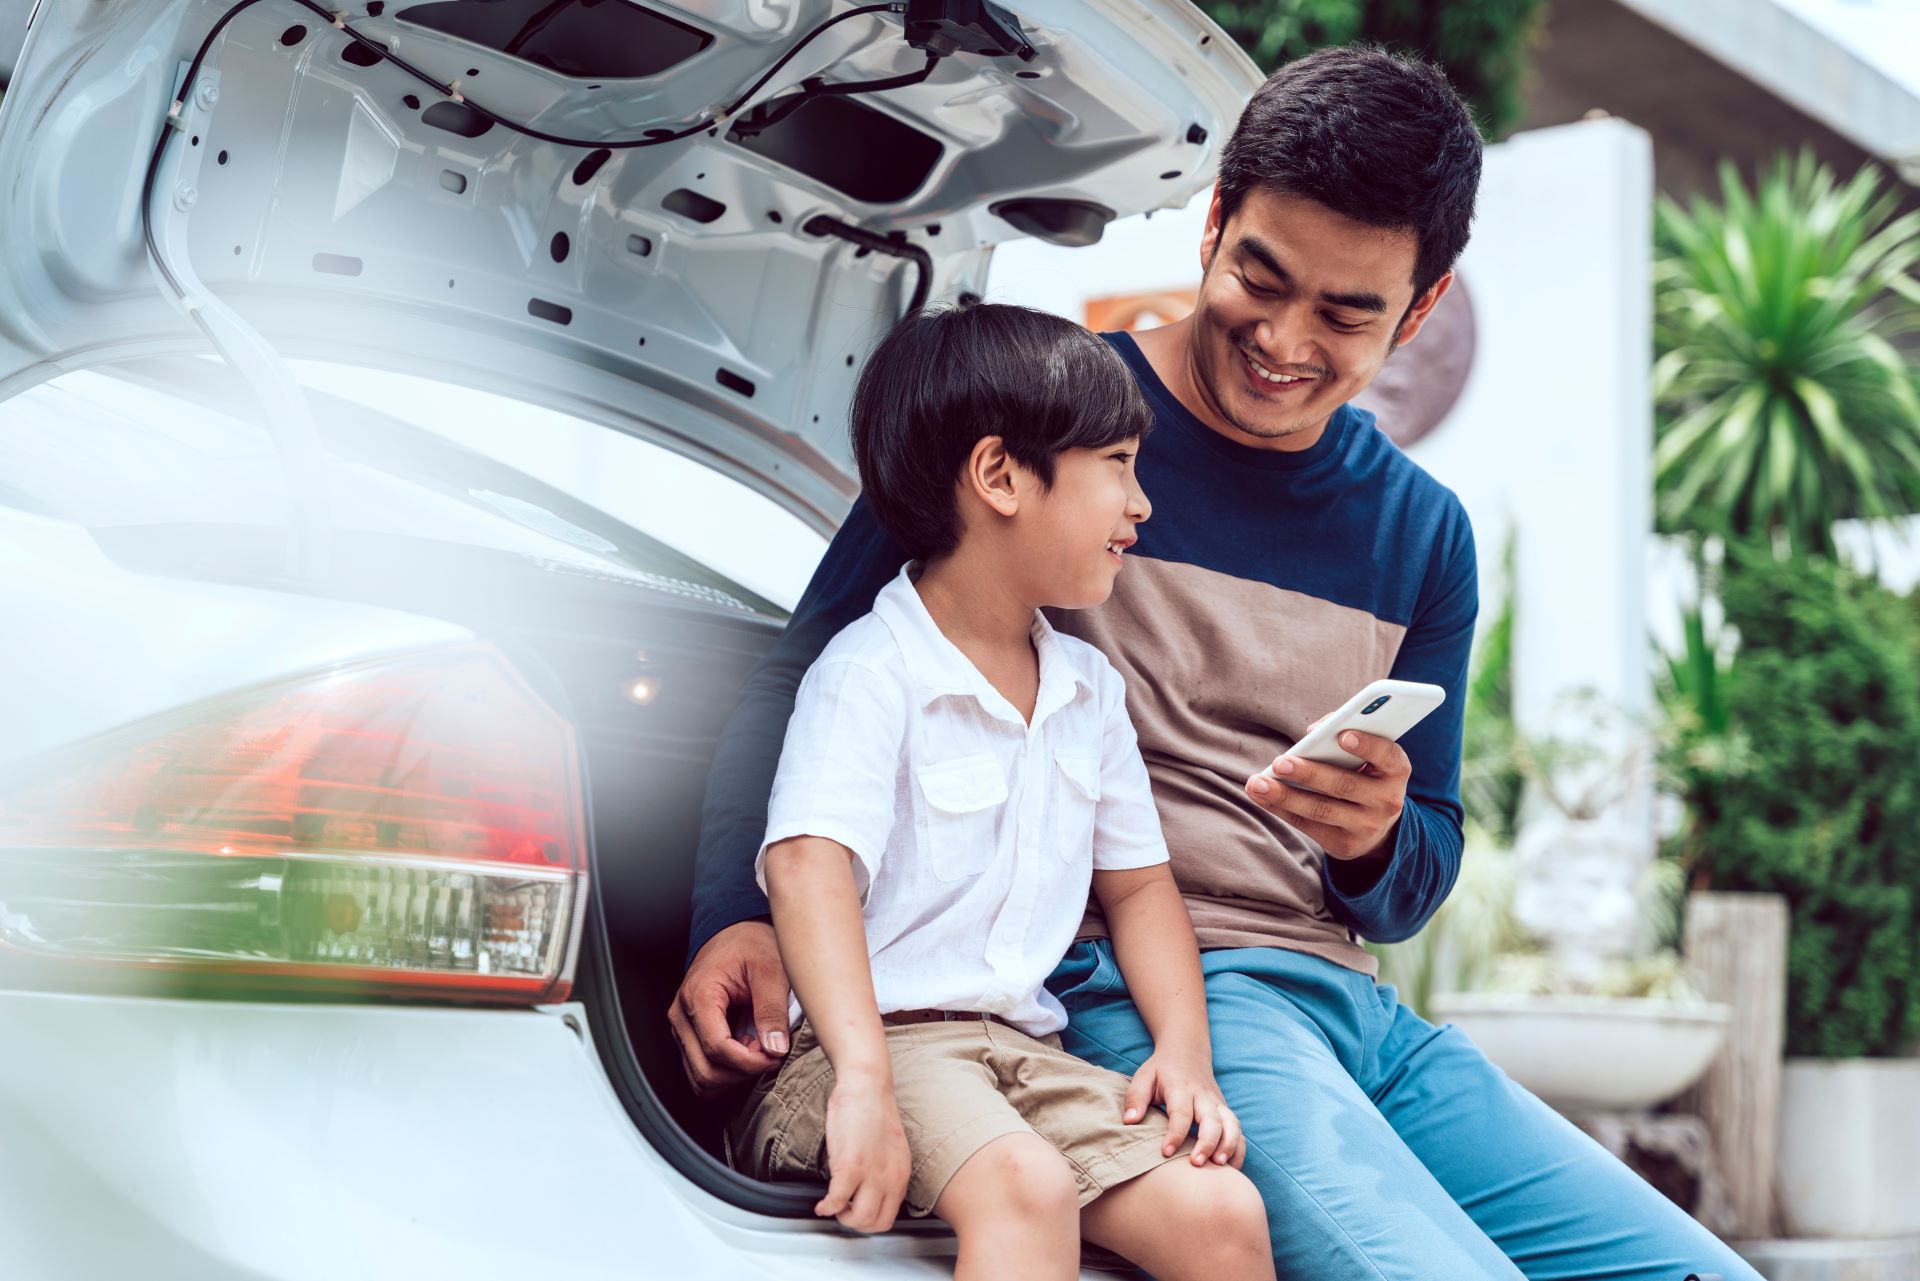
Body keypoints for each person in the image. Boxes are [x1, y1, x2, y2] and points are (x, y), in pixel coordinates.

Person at [674, 44, 1764, 1281]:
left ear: (1421, 308)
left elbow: (1423, 872)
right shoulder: (1042, 425)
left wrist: (1370, 841)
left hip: (1360, 1014)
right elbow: (804, 673)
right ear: (1212, 228)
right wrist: (734, 917)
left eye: (1350, 313)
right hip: (1150, 994)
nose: (1285, 340)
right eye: (1263, 275)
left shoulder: (1422, 534)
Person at [729, 302, 1273, 1281]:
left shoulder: (1089, 692)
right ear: (1000, 477)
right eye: (1117, 465)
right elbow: (806, 864)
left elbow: (1141, 889)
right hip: (867, 1052)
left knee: (1221, 1213)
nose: (1140, 504)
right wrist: (861, 1081)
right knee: (1028, 1191)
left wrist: (1184, 1054)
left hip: (1025, 1056)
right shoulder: (871, 671)